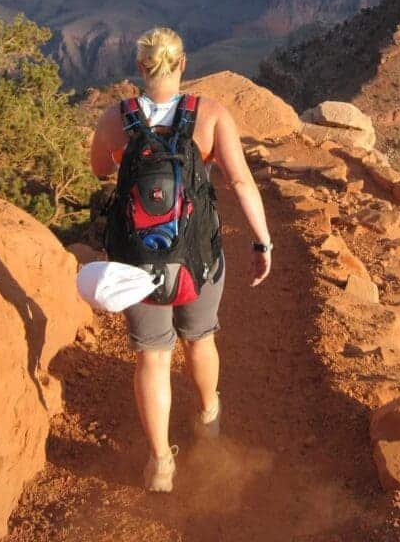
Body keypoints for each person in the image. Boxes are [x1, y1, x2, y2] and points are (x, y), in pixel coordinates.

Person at [89, 27, 273, 493]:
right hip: (198, 257)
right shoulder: (208, 115)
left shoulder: (117, 117)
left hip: (138, 265)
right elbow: (242, 182)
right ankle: (208, 417)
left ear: (140, 68)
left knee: (153, 358)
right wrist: (262, 241)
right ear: (183, 64)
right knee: (200, 340)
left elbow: (99, 169)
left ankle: (160, 464)